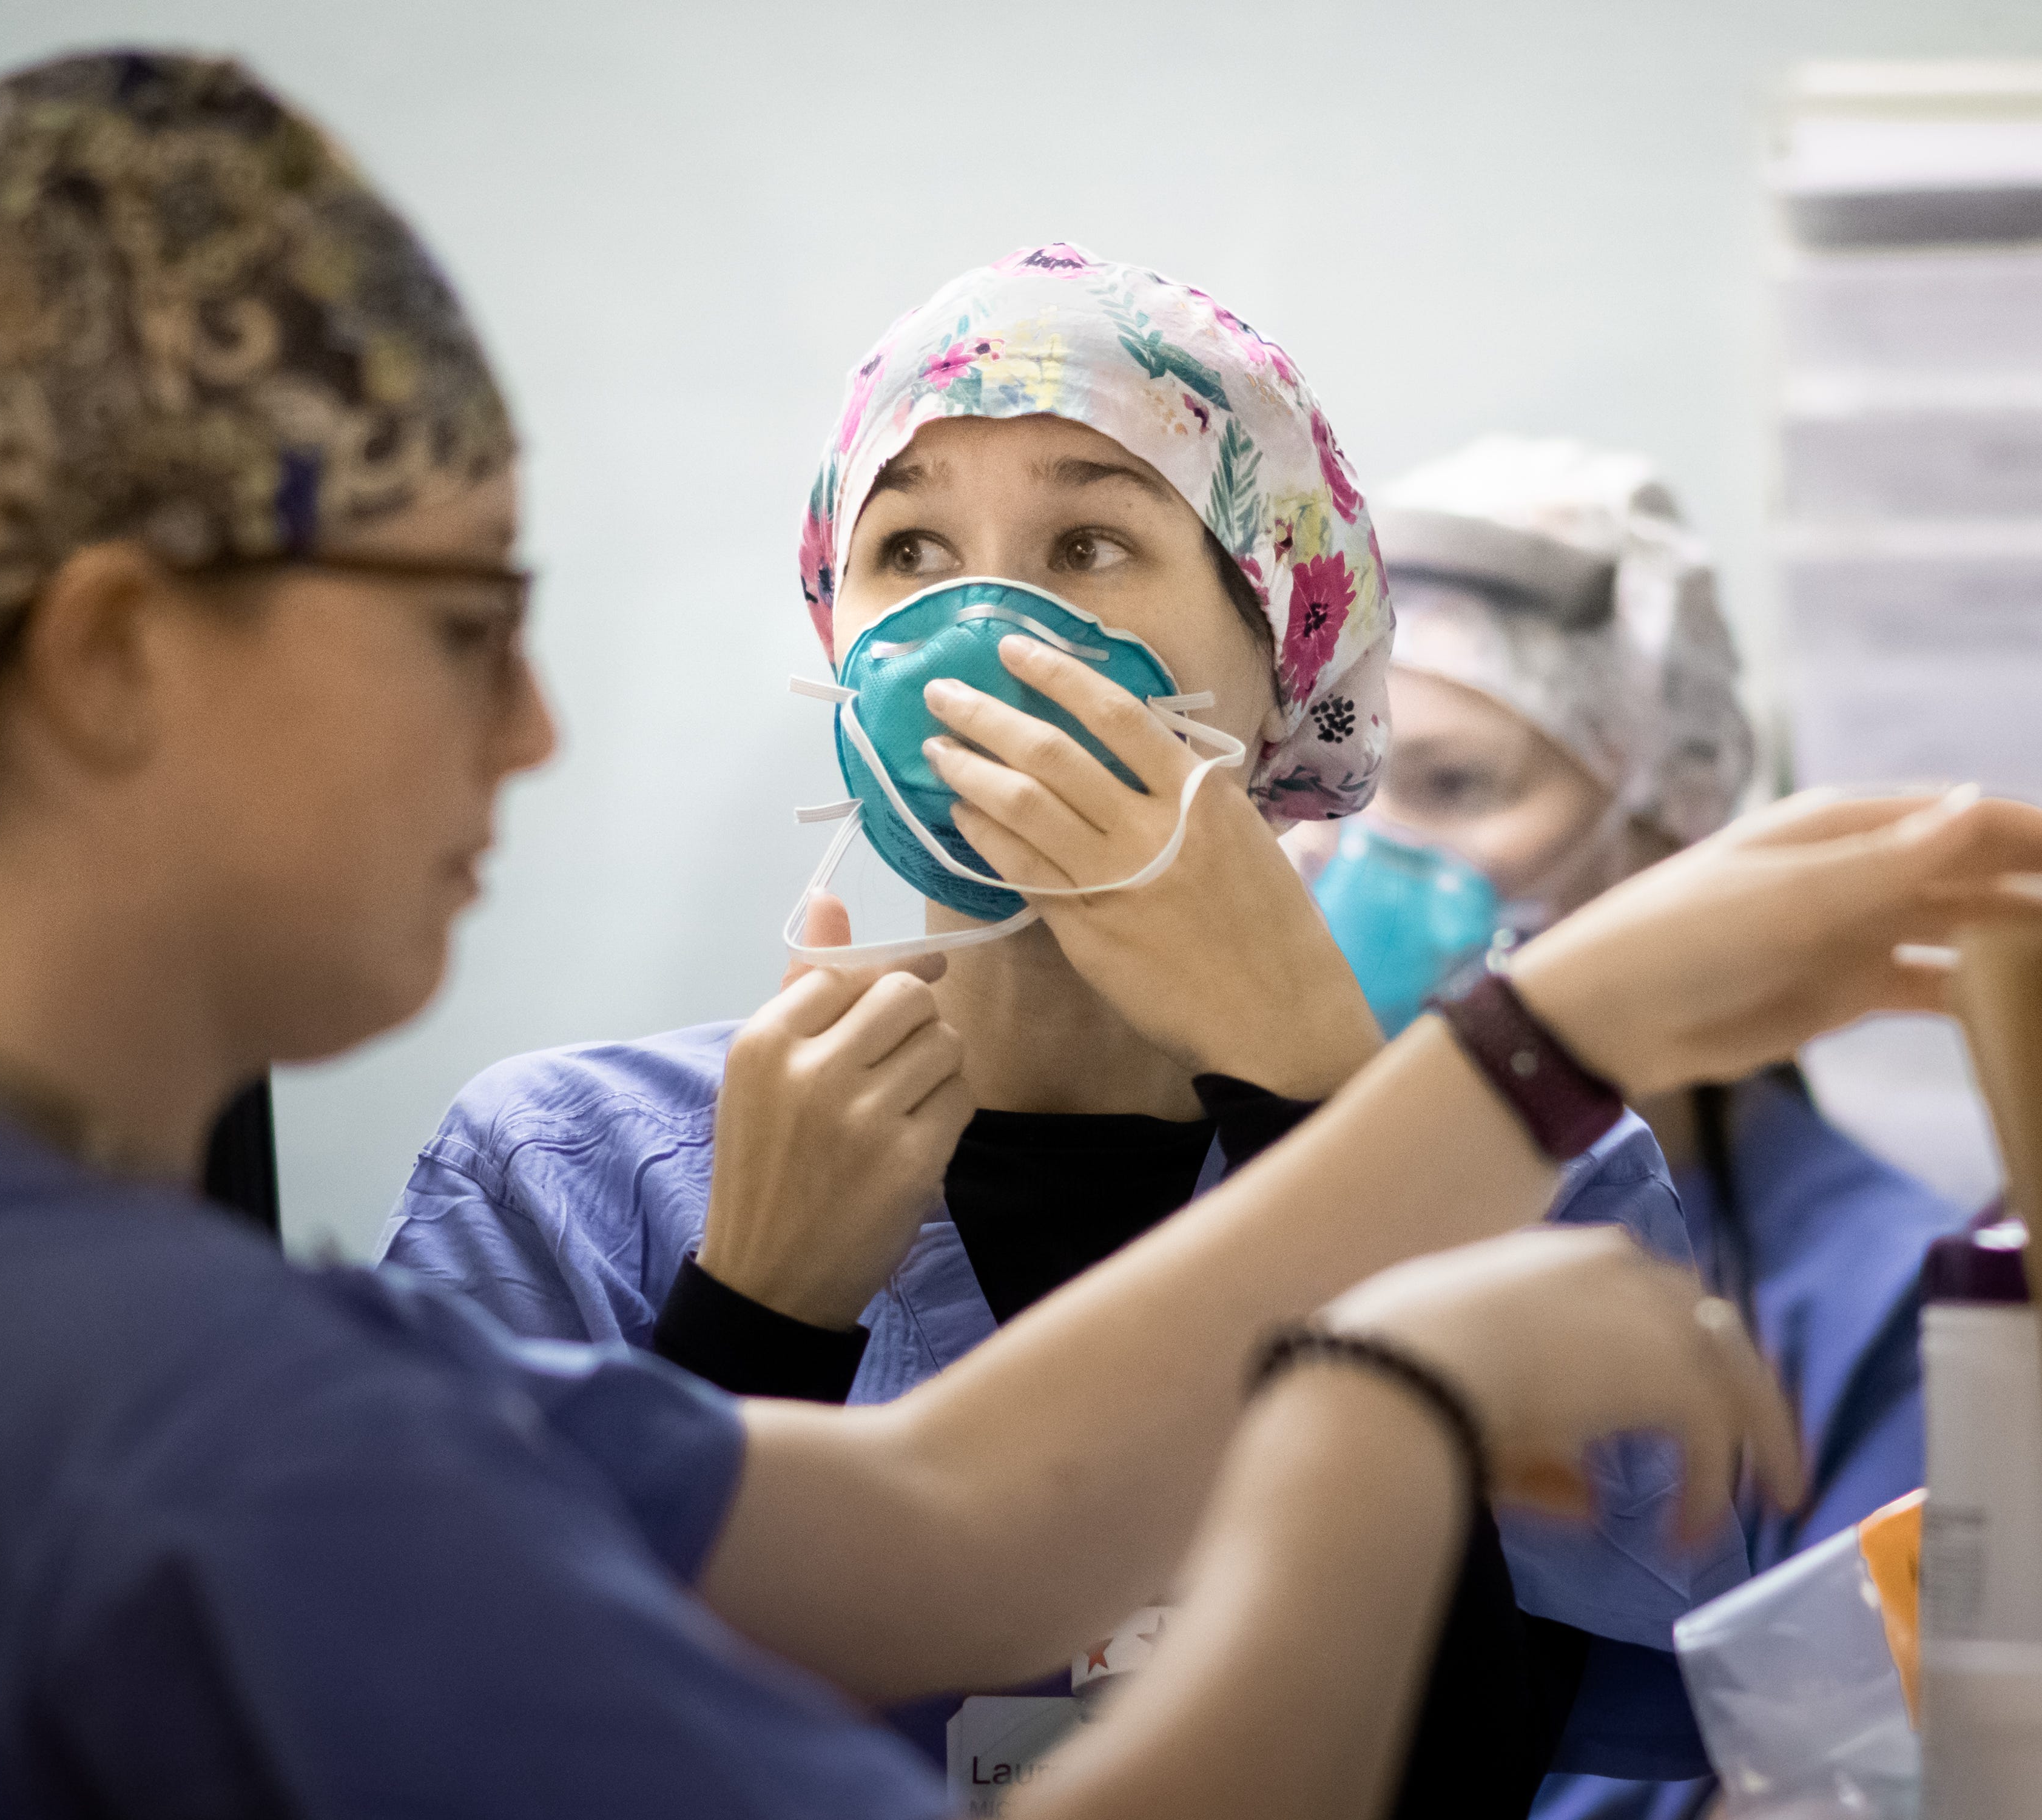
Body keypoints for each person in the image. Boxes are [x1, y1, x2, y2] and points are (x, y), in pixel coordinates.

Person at [0, 52, 2042, 1820]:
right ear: (103, 661)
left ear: (1282, 674)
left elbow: (953, 1527)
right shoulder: (216, 1385)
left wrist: (1428, 1068)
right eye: (456, 623)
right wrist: (1387, 1383)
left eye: (1091, 546)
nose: (540, 732)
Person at [386, 248, 1736, 1810]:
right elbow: (504, 1758)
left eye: (1088, 539)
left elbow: (1480, 1783)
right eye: (908, 551)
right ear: (837, 640)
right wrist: (753, 1321)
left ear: (1282, 660)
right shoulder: (562, 1177)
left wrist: (1321, 1115)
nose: (981, 625)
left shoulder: (1527, 1187)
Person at [1306, 437, 1974, 1818]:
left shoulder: (1894, 1314)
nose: (1347, 861)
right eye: (1337, 790)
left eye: (1450, 787)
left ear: (1667, 828)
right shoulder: (1258, 1224)